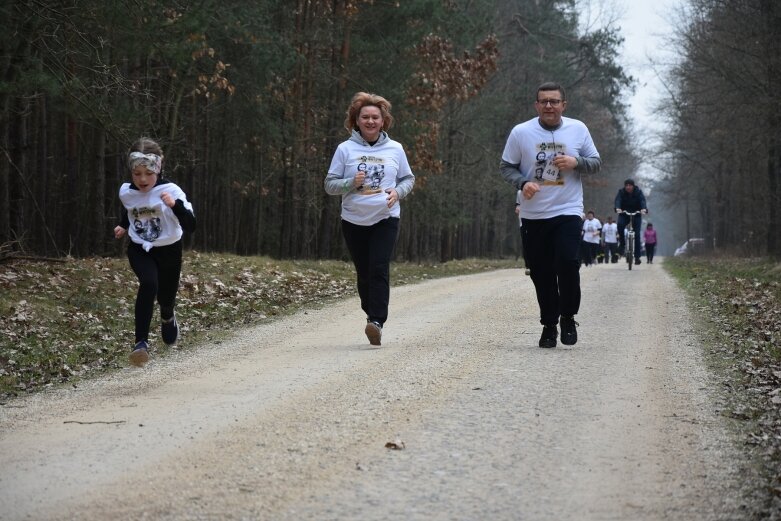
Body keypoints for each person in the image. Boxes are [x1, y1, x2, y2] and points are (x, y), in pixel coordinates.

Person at [500, 82, 601, 348]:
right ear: (536, 105)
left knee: (568, 263)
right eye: (543, 101)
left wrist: (576, 162)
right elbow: (506, 167)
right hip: (533, 215)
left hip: (567, 210)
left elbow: (596, 162)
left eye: (554, 101)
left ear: (563, 105)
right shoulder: (521, 132)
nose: (549, 106)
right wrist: (523, 183)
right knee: (541, 272)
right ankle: (549, 324)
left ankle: (568, 316)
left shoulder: (578, 129)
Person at [325, 92, 415, 346]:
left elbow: (409, 179)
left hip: (385, 217)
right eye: (365, 117)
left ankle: (376, 321)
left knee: (378, 268)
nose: (371, 121)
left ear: (384, 120)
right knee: (364, 272)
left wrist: (397, 192)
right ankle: (370, 312)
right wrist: (349, 183)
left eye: (376, 117)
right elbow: (329, 185)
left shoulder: (395, 149)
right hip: (353, 219)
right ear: (356, 120)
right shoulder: (345, 149)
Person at [114, 137, 196, 367]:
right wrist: (124, 224)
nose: (142, 179)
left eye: (148, 174)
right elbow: (133, 209)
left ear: (158, 169)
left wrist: (174, 206)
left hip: (169, 249)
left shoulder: (171, 191)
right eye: (136, 173)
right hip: (141, 248)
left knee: (166, 297)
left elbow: (191, 225)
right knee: (149, 283)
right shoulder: (126, 192)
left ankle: (168, 316)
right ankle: (140, 344)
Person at [614, 178, 648, 265]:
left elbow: (642, 200)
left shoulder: (638, 192)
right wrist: (618, 208)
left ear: (633, 186)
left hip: (636, 214)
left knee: (637, 235)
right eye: (626, 185)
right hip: (624, 213)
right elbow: (618, 200)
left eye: (630, 185)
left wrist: (643, 209)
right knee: (620, 226)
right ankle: (622, 243)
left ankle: (637, 257)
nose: (628, 187)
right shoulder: (621, 192)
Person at [515, 190, 530, 275]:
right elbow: (518, 204)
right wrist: (517, 207)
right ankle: (528, 266)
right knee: (526, 244)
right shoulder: (520, 192)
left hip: (540, 220)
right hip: (523, 222)